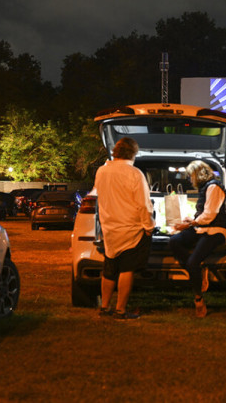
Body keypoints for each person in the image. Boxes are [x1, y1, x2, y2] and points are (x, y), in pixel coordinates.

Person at [95, 137, 155, 320]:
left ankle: (105, 307)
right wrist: (149, 226)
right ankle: (120, 309)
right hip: (131, 229)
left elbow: (100, 196)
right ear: (133, 153)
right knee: (126, 269)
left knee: (109, 268)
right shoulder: (135, 173)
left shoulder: (101, 171)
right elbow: (143, 204)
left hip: (109, 228)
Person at [169, 160, 226, 318]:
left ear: (198, 174)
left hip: (216, 230)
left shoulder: (214, 187)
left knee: (192, 262)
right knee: (174, 241)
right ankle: (198, 271)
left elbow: (210, 214)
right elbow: (204, 214)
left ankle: (198, 299)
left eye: (191, 176)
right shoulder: (206, 188)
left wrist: (192, 223)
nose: (190, 180)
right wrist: (191, 221)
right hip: (202, 227)